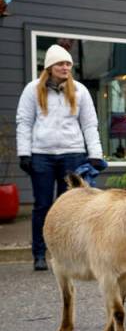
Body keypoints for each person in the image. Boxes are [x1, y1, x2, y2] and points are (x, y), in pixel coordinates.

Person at [16, 44, 104, 271]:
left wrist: (95, 154)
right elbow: (24, 122)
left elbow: (89, 124)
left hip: (72, 155)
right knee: (42, 205)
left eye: (68, 64)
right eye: (60, 63)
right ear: (50, 66)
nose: (65, 67)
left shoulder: (80, 91)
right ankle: (39, 254)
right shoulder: (32, 90)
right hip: (41, 156)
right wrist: (24, 153)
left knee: (73, 209)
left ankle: (72, 255)